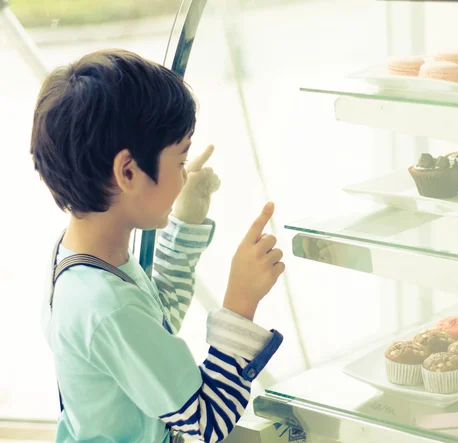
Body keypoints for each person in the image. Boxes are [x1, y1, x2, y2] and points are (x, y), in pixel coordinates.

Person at [31, 49, 285, 443]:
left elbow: (154, 318)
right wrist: (240, 303)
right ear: (128, 172)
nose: (184, 177)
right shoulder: (105, 306)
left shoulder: (80, 256)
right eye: (180, 161)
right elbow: (208, 420)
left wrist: (186, 221)